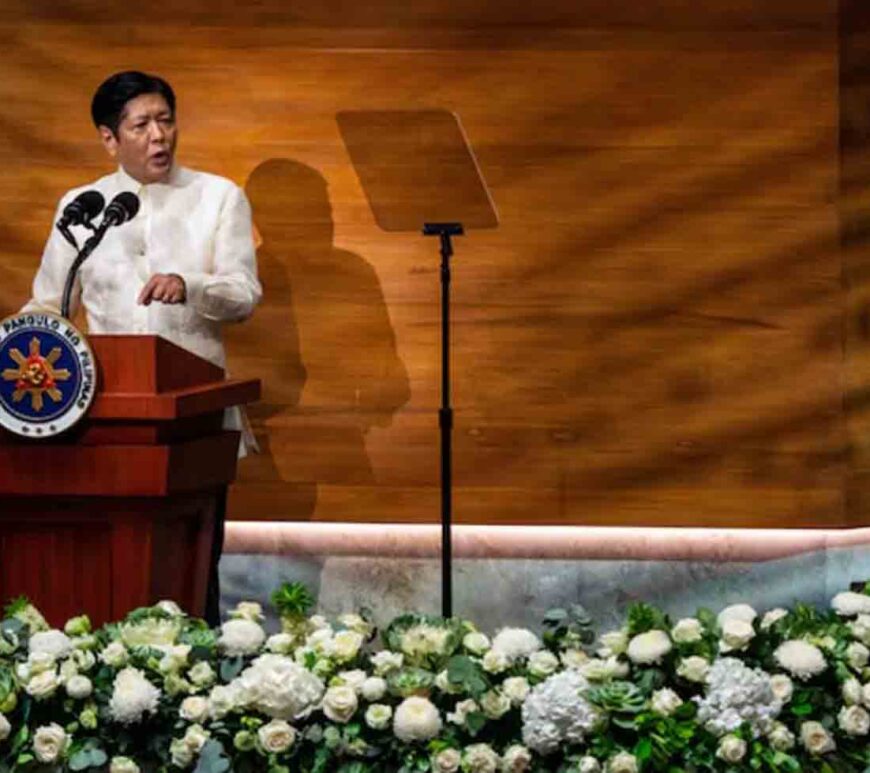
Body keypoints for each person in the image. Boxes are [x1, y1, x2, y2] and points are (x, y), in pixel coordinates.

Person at [22, 70, 262, 625]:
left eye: (166, 120)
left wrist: (191, 285)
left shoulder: (218, 198)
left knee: (189, 576)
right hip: (103, 423)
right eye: (141, 125)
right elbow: (48, 308)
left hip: (192, 422)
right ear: (110, 139)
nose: (159, 136)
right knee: (101, 572)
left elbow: (245, 295)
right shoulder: (81, 207)